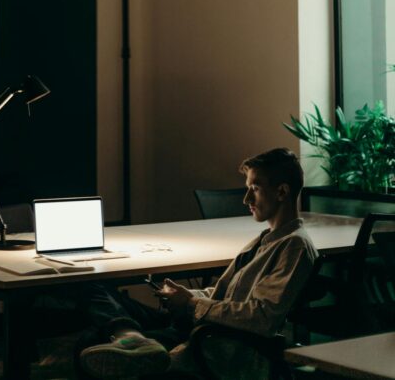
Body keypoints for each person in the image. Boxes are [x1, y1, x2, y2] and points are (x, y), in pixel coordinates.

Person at [77, 147, 318, 379]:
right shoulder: (266, 239)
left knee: (90, 341)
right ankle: (131, 336)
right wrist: (187, 295)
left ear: (282, 192)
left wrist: (193, 303)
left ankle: (132, 337)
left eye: (254, 188)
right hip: (200, 323)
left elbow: (261, 317)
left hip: (212, 339)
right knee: (94, 288)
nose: (246, 199)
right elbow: (230, 295)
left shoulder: (294, 246)